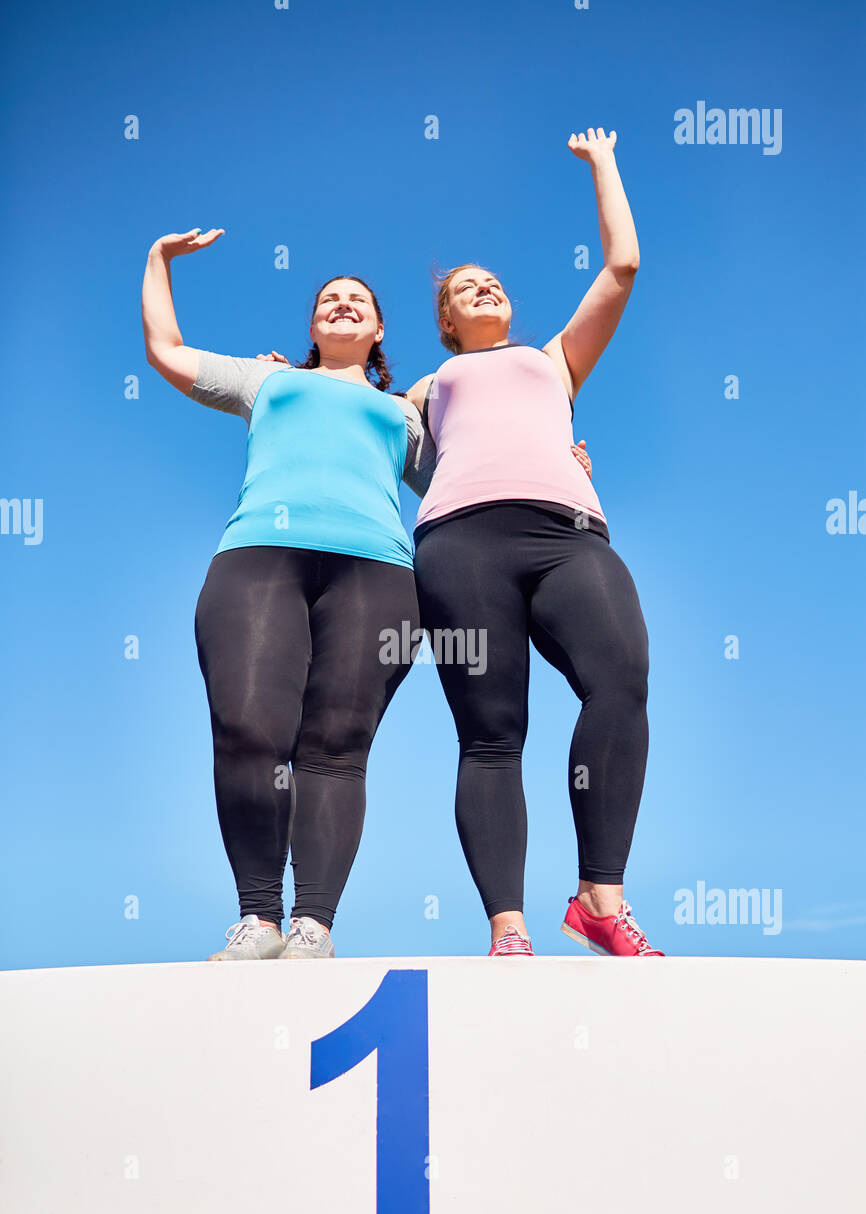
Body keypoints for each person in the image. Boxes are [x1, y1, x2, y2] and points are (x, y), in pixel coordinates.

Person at [406, 128, 664, 960]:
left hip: (568, 536)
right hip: (459, 544)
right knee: (490, 733)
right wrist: (287, 370)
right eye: (465, 290)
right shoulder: (425, 386)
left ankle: (600, 897)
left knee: (620, 680)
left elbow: (621, 267)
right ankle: (507, 929)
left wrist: (603, 164)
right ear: (447, 321)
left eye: (493, 282)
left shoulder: (556, 360)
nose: (483, 290)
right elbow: (342, 414)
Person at [142, 230, 434, 960]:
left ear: (377, 330)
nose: (342, 304)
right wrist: (158, 261)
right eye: (328, 299)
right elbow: (167, 352)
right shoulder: (264, 381)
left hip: (375, 571)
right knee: (247, 727)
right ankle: (258, 919)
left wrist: (567, 465)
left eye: (357, 300)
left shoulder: (405, 414)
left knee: (335, 747)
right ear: (311, 327)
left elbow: (476, 479)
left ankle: (314, 927)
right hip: (258, 558)